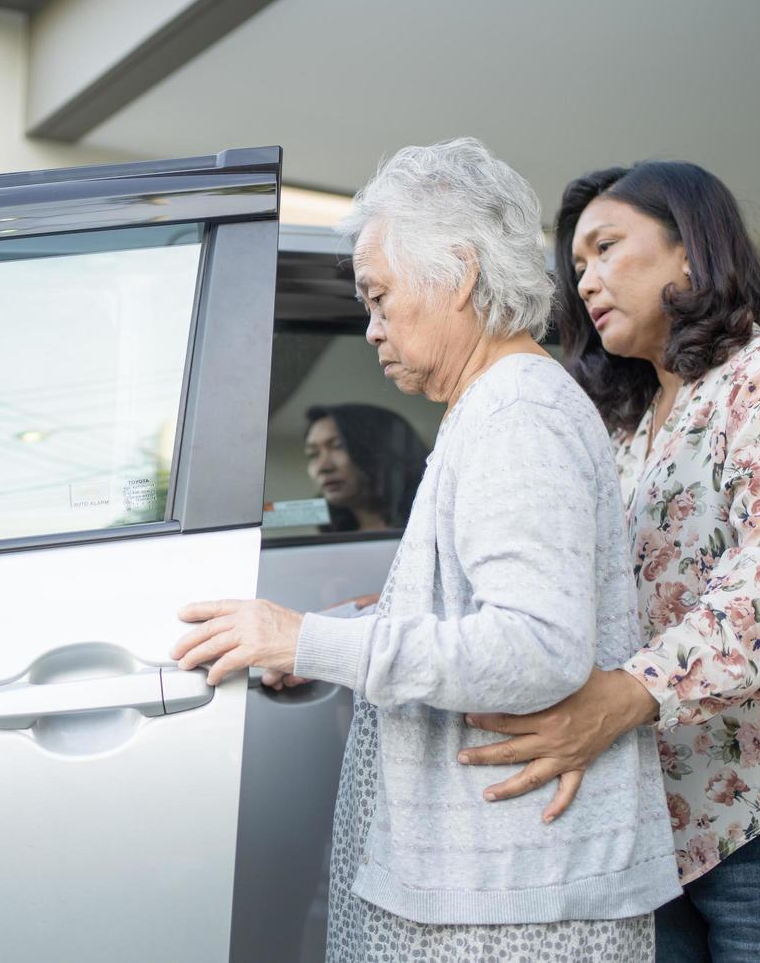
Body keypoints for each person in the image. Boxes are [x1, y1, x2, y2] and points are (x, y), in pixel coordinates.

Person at [172, 138, 678, 962]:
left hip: (511, 902)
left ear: (460, 273)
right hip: (493, 887)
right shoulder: (495, 406)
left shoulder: (517, 413)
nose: (371, 328)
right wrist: (341, 635)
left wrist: (307, 637)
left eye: (379, 296)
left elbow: (536, 646)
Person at [456, 160, 760, 961]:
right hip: (659, 817)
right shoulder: (626, 428)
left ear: (691, 254)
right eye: (577, 267)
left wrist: (626, 695)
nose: (587, 280)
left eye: (605, 248)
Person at [304, 403, 428, 532]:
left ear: (381, 450)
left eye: (338, 446)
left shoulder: (435, 527)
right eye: (313, 454)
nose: (322, 467)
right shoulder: (330, 545)